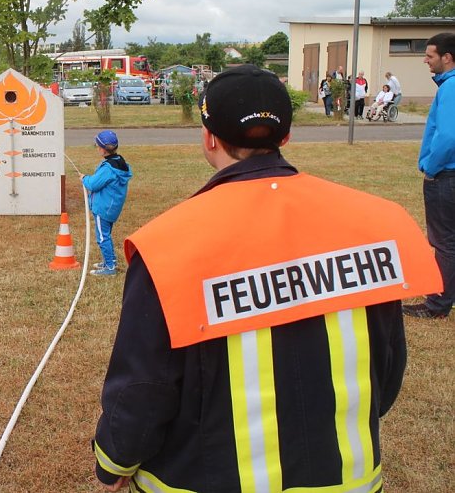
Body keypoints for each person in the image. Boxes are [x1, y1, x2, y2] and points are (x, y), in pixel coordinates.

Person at [91, 65, 442, 492]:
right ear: (286, 137)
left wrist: (114, 460)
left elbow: (145, 385)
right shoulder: (377, 223)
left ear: (209, 137)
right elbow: (385, 372)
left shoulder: (167, 245)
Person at [406, 32, 455, 319]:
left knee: (444, 242)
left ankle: (437, 303)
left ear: (447, 58)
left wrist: (431, 165)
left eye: (430, 55)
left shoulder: (449, 88)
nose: (426, 60)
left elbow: (448, 136)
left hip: (446, 177)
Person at [80, 130, 132, 276]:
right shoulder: (119, 162)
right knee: (106, 234)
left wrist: (85, 178)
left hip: (103, 208)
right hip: (111, 208)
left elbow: (93, 184)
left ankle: (109, 268)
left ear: (103, 149)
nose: (97, 148)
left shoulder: (108, 169)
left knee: (102, 237)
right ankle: (110, 261)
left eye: (97, 146)